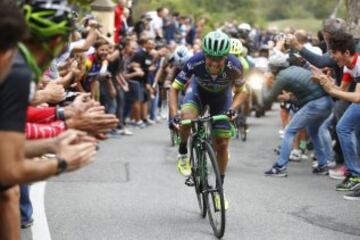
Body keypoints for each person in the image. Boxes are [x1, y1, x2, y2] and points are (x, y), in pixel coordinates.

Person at [0, 1, 97, 239]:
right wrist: (62, 162)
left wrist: (54, 141)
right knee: (8, 191)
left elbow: (6, 148)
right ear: (55, 43)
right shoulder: (19, 70)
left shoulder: (16, 63)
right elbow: (8, 169)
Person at [169, 30, 248, 209]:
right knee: (187, 117)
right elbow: (174, 88)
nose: (213, 63)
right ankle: (183, 152)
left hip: (222, 98)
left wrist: (232, 109)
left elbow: (242, 91)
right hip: (198, 93)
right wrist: (175, 114)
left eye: (219, 59)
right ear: (204, 54)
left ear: (226, 57)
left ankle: (219, 190)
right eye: (209, 58)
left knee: (222, 144)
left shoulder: (234, 65)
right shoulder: (194, 61)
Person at [263, 51, 333, 177]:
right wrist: (288, 98)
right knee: (313, 131)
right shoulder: (293, 68)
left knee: (289, 131)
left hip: (316, 104)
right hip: (327, 102)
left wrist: (265, 83)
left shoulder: (282, 77)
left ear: (273, 68)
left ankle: (280, 167)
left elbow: (267, 99)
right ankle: (322, 165)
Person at [313, 31, 360, 200]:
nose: (332, 57)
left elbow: (356, 97)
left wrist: (332, 90)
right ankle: (355, 175)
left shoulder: (359, 63)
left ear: (346, 52)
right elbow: (341, 91)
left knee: (344, 127)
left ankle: (356, 175)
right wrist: (327, 83)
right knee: (345, 128)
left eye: (334, 53)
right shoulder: (349, 66)